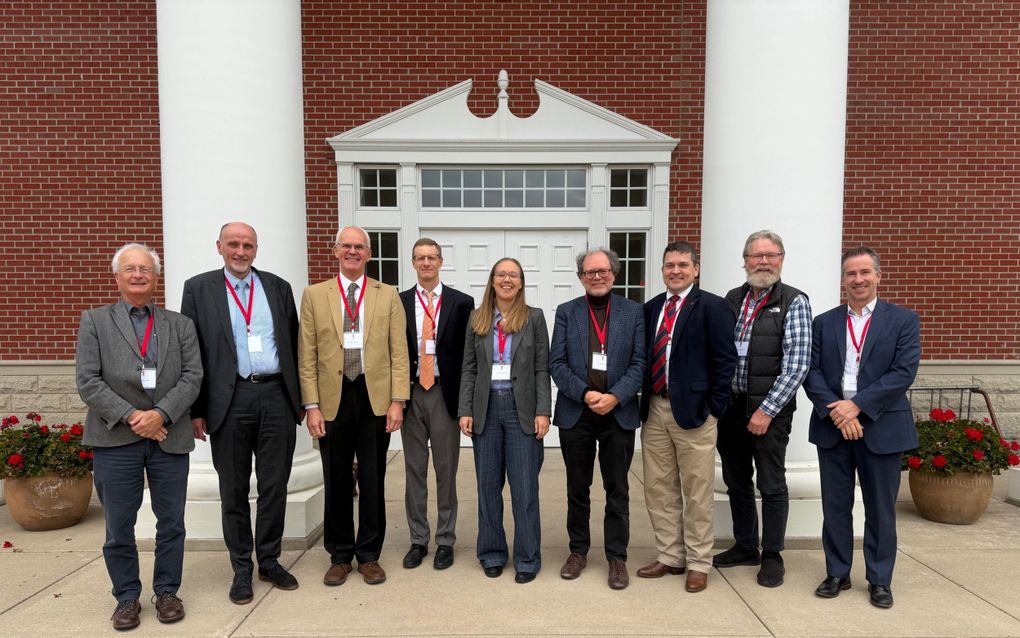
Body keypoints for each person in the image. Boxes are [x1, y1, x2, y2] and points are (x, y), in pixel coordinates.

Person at [75, 243, 202, 631]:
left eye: (145, 269)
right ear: (117, 276)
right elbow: (88, 381)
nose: (138, 275)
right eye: (130, 269)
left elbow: (193, 376)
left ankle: (167, 592)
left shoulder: (180, 324)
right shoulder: (95, 321)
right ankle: (126, 597)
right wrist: (134, 416)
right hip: (115, 437)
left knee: (172, 523)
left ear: (156, 277)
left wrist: (160, 414)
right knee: (118, 526)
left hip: (169, 435)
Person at [180, 222, 302, 604]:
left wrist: (299, 401)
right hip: (229, 400)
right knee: (232, 489)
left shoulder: (278, 287)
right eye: (233, 244)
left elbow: (294, 344)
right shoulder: (198, 289)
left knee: (274, 485)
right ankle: (241, 569)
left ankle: (269, 561)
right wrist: (196, 409)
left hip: (276, 396)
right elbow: (191, 353)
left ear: (256, 249)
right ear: (219, 246)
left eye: (248, 245)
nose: (240, 251)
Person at [804, 246, 920, 609]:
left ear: (878, 276)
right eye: (851, 274)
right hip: (833, 427)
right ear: (843, 280)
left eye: (865, 272)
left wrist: (857, 407)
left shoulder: (903, 320)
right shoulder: (824, 323)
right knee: (835, 507)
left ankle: (879, 579)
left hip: (882, 427)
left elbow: (903, 372)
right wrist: (840, 414)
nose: (858, 280)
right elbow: (811, 372)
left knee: (881, 509)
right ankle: (837, 572)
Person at [298, 226, 409, 587]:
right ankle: (340, 555)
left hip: (374, 396)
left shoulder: (387, 294)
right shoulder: (315, 295)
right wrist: (312, 405)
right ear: (335, 251)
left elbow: (399, 352)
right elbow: (307, 355)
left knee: (373, 478)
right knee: (336, 478)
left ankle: (369, 554)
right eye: (346, 245)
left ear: (368, 253)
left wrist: (397, 400)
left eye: (359, 246)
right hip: (332, 398)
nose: (352, 251)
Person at [637, 241, 738, 593]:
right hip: (654, 409)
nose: (676, 271)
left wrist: (714, 409)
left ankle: (698, 562)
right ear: (662, 270)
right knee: (658, 488)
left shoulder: (713, 307)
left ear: (695, 269)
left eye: (683, 265)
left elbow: (726, 361)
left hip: (695, 413)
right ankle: (670, 555)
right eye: (670, 265)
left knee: (697, 491)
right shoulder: (651, 308)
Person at [714, 230, 811, 588]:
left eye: (771, 255)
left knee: (771, 483)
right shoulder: (732, 299)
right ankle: (744, 546)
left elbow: (797, 364)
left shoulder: (793, 301)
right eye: (756, 256)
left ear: (782, 259)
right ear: (745, 261)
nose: (764, 262)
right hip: (731, 408)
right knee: (736, 481)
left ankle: (772, 554)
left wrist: (766, 411)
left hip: (770, 411)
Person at [549, 247, 645, 590]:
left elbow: (640, 363)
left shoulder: (633, 312)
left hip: (618, 413)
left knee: (617, 489)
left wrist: (615, 396)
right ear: (581, 278)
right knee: (577, 489)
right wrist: (585, 394)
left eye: (603, 271)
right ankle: (578, 551)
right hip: (577, 413)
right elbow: (556, 362)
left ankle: (617, 557)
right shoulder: (567, 312)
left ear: (614, 274)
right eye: (590, 272)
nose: (597, 277)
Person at [458, 258, 551, 583]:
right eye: (501, 274)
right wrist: (465, 409)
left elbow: (541, 368)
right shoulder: (478, 318)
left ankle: (527, 559)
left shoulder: (534, 317)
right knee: (487, 488)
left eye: (513, 275)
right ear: (493, 280)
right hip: (485, 410)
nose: (507, 280)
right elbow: (469, 367)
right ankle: (492, 553)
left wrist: (543, 410)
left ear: (521, 282)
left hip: (521, 409)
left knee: (525, 490)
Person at [399, 238, 473, 570]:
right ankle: (418, 539)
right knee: (414, 470)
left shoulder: (462, 303)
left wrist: (466, 403)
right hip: (412, 392)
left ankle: (445, 539)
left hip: (445, 393)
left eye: (432, 257)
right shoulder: (399, 302)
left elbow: (469, 356)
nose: (426, 263)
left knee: (446, 469)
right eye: (420, 258)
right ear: (413, 263)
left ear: (441, 261)